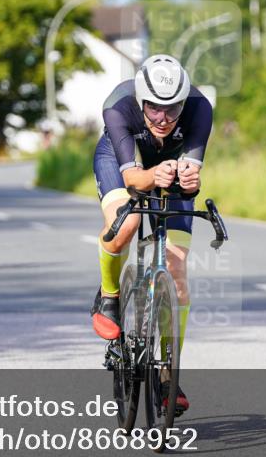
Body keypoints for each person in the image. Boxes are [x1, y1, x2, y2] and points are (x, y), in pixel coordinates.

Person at [90, 54, 212, 415]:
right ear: (141, 99)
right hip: (121, 158)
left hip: (170, 165)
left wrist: (190, 180)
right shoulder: (117, 105)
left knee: (176, 268)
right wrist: (154, 173)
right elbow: (133, 180)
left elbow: (190, 177)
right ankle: (110, 297)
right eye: (155, 109)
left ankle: (167, 373)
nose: (163, 118)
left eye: (172, 109)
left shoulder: (200, 108)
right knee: (125, 226)